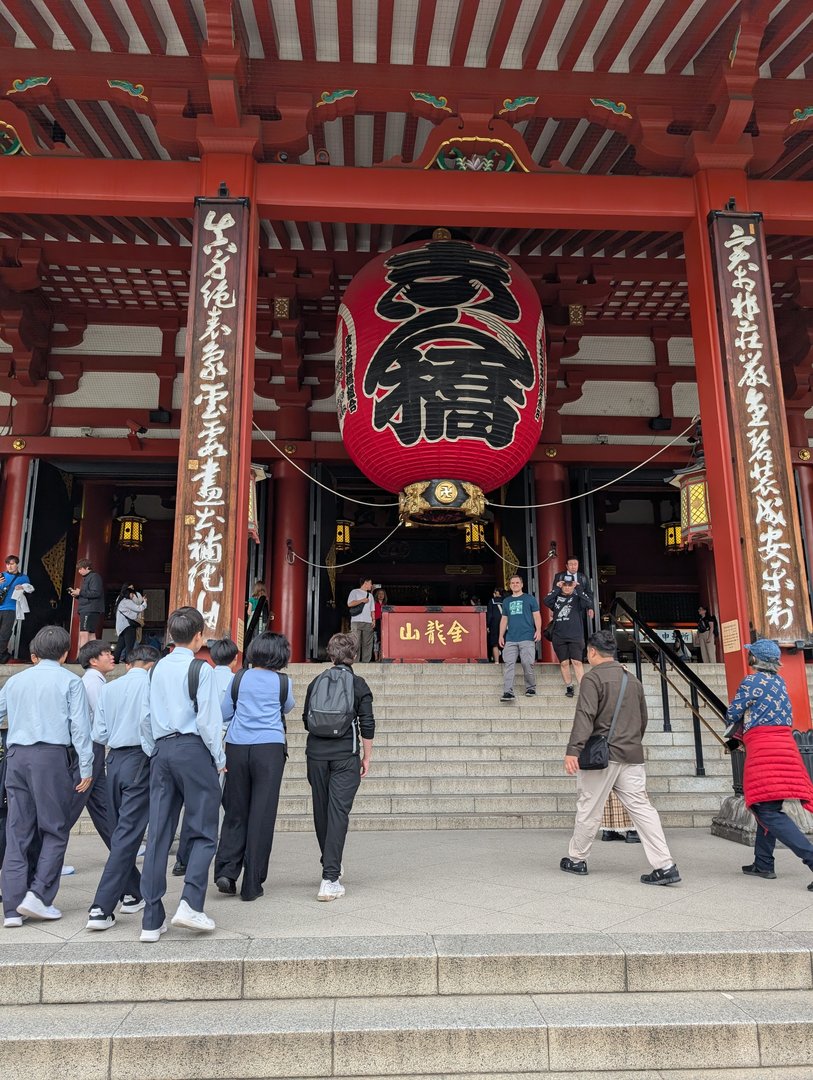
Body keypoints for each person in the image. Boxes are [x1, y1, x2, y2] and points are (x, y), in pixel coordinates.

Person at [560, 629, 681, 886]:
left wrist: (573, 749)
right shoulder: (632, 680)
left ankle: (577, 858)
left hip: (602, 756)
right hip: (631, 754)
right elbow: (643, 718)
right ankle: (665, 864)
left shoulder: (592, 680)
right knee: (642, 808)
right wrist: (632, 742)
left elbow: (585, 716)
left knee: (589, 806)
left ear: (592, 652)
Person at [139, 606, 225, 942]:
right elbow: (207, 720)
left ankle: (151, 916)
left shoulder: (155, 669)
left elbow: (146, 717)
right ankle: (190, 902)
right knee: (203, 829)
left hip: (161, 751)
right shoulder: (199, 669)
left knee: (159, 832)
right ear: (199, 635)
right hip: (192, 750)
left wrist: (154, 750)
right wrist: (218, 756)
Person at [0, 626, 93, 926]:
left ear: (35, 652)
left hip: (16, 756)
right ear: (67, 653)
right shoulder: (70, 681)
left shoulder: (16, 681)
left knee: (17, 832)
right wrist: (87, 766)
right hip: (50, 757)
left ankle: (12, 908)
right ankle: (38, 895)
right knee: (54, 828)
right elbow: (80, 728)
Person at [725, 638, 813, 888]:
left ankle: (811, 857)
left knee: (766, 809)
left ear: (756, 659)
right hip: (786, 746)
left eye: (751, 654)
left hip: (764, 750)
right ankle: (763, 862)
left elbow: (732, 713)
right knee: (769, 805)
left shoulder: (752, 681)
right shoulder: (779, 682)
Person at [85, 644, 160, 931]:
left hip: (113, 760)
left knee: (121, 833)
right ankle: (101, 907)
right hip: (140, 759)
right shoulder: (152, 686)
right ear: (152, 665)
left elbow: (99, 733)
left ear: (129, 664)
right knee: (127, 835)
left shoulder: (109, 688)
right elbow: (149, 725)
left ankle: (133, 891)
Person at [214, 632, 294, 901]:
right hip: (269, 750)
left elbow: (224, 712)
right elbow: (288, 707)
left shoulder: (239, 677)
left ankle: (226, 871)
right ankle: (252, 883)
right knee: (262, 815)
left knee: (235, 810)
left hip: (237, 747)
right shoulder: (283, 682)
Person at [302, 632, 374, 901]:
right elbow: (367, 724)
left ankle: (329, 864)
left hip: (316, 755)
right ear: (353, 655)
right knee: (338, 813)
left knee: (322, 812)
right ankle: (330, 878)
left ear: (330, 655)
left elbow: (306, 720)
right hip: (345, 755)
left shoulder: (315, 682)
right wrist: (366, 757)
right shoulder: (358, 684)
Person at [73, 640, 115, 850]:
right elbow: (101, 718)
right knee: (74, 804)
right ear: (93, 661)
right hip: (89, 747)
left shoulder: (96, 680)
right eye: (106, 653)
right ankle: (50, 851)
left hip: (93, 746)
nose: (111, 656)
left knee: (102, 802)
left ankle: (119, 846)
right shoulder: (93, 683)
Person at [543, 577, 593, 698]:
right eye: (565, 585)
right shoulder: (556, 598)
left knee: (577, 662)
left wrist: (579, 587)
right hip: (559, 635)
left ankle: (583, 687)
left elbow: (588, 602)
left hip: (575, 635)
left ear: (573, 586)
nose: (567, 587)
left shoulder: (577, 599)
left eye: (569, 585)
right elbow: (546, 600)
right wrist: (556, 587)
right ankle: (569, 686)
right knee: (564, 663)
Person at [498, 574, 541, 702]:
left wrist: (538, 630)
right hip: (511, 638)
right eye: (513, 583)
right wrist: (501, 635)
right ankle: (508, 692)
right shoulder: (506, 601)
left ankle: (530, 687)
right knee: (509, 664)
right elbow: (504, 619)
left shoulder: (530, 599)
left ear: (522, 585)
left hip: (527, 636)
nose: (515, 585)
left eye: (517, 583)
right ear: (510, 585)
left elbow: (537, 616)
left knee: (527, 663)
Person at [0, 555, 32, 664]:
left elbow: (30, 590)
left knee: (5, 633)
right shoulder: (1, 575)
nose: (9, 566)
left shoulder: (23, 578)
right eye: (8, 564)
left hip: (11, 608)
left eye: (12, 564)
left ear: (17, 564)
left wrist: (23, 587)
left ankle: (1, 655)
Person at [68, 558, 105, 649]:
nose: (79, 571)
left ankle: (82, 657)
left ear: (87, 568)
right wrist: (76, 595)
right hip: (89, 608)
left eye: (81, 569)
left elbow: (96, 593)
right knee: (91, 634)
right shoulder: (88, 578)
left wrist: (80, 592)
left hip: (89, 609)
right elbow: (87, 594)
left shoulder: (94, 577)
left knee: (84, 633)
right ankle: (92, 655)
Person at [112, 584, 147, 664]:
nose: (133, 595)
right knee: (129, 646)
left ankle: (115, 660)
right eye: (132, 594)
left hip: (121, 627)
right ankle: (129, 662)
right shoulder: (127, 602)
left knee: (120, 646)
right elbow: (139, 609)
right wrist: (144, 602)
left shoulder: (121, 602)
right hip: (128, 626)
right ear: (129, 593)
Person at [347, 576, 375, 663]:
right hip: (356, 620)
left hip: (368, 621)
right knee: (356, 642)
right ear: (365, 583)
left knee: (367, 643)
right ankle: (355, 661)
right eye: (370, 583)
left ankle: (366, 661)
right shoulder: (354, 592)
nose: (371, 585)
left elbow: (372, 609)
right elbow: (350, 604)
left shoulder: (370, 595)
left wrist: (374, 620)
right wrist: (362, 600)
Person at [487, 587, 503, 663]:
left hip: (495, 624)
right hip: (506, 624)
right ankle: (507, 661)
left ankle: (496, 661)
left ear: (497, 592)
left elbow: (490, 615)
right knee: (507, 643)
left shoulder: (492, 601)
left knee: (495, 643)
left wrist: (487, 625)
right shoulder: (507, 601)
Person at [373, 587, 388, 662]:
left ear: (384, 595)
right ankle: (376, 658)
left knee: (383, 641)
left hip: (384, 624)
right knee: (376, 641)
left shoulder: (386, 605)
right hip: (376, 623)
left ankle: (381, 657)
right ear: (376, 595)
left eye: (382, 594)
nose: (381, 595)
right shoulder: (374, 604)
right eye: (379, 594)